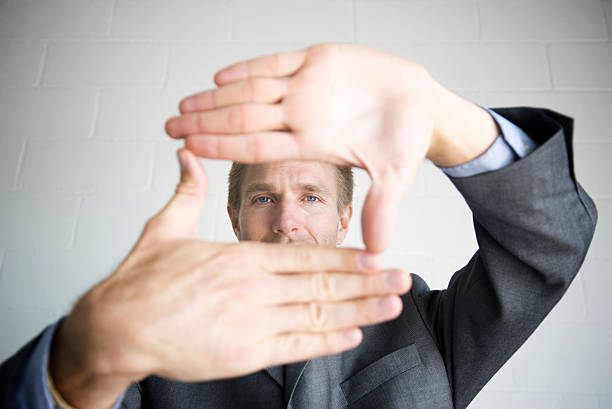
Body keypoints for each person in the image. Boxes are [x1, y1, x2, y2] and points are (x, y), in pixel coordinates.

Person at [0, 43, 597, 409]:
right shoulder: (158, 337)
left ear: (343, 218)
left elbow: (548, 248)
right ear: (233, 218)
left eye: (311, 196)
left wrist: (444, 119)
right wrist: (82, 356)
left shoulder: (419, 316)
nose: (286, 221)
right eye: (262, 196)